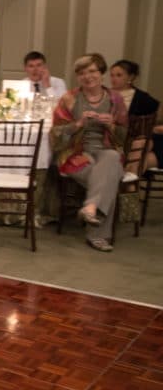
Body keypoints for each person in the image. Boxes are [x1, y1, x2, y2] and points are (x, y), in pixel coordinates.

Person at [51, 54, 128, 251]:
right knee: (108, 176)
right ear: (78, 77)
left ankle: (90, 208)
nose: (88, 76)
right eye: (82, 73)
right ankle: (98, 234)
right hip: (76, 155)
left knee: (110, 158)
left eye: (92, 71)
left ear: (101, 73)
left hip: (106, 151)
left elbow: (124, 135)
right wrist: (78, 124)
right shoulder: (69, 99)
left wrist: (112, 125)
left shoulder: (115, 99)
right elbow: (56, 134)